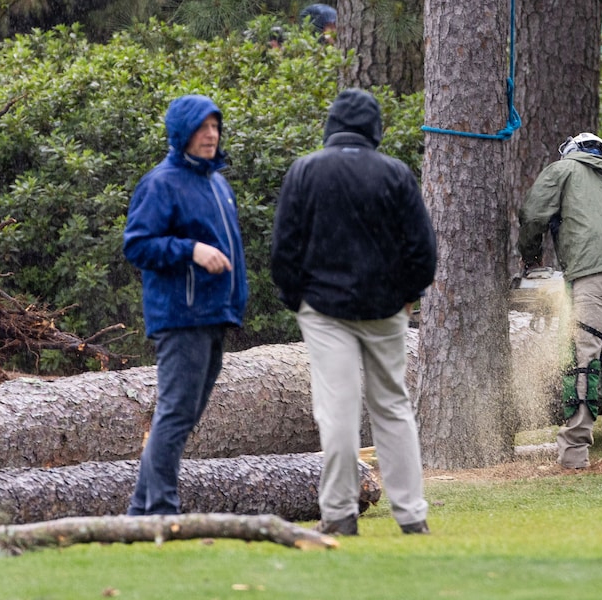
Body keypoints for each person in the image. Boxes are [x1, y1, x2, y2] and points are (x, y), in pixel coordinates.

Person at [270, 88, 437, 536]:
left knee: (337, 410)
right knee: (393, 408)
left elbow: (284, 249)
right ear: (374, 129)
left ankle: (341, 513)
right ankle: (411, 514)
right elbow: (423, 249)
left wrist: (297, 300)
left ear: (331, 125)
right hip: (385, 310)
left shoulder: (305, 171)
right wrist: (408, 295)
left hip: (324, 310)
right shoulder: (395, 174)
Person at [123, 94, 248, 515]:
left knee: (185, 415)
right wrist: (191, 249)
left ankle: (142, 511)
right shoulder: (161, 182)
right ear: (182, 134)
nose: (211, 134)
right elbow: (138, 246)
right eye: (201, 127)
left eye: (215, 126)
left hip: (214, 313)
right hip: (181, 315)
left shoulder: (216, 181)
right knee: (177, 413)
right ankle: (160, 509)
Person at [518, 133, 602, 471]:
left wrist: (531, 259)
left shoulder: (564, 169)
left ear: (571, 152)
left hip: (591, 274)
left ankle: (572, 456)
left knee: (583, 357)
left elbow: (534, 213)